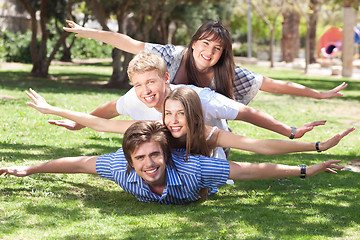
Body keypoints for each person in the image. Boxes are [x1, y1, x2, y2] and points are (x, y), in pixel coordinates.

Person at [0, 121, 346, 204]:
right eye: (141, 158)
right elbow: (79, 163)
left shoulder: (195, 169)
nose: (148, 163)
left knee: (220, 148)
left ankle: (214, 125)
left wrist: (305, 169)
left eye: (154, 155)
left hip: (207, 162)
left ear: (165, 154)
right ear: (129, 160)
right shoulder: (119, 167)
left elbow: (246, 171)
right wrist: (29, 168)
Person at [46, 51, 326, 150]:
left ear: (166, 77)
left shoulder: (199, 98)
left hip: (210, 148)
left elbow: (247, 113)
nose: (146, 91)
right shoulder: (135, 97)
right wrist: (78, 125)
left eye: (151, 82)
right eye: (139, 84)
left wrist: (289, 131)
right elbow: (108, 110)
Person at [63, 19, 347, 104]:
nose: (210, 52)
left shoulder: (228, 73)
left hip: (206, 133)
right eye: (206, 43)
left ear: (223, 53)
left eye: (218, 48)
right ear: (195, 42)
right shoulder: (171, 56)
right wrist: (86, 31)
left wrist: (317, 93)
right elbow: (131, 44)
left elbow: (273, 84)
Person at [26, 86, 355, 159]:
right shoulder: (157, 129)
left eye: (180, 114)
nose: (173, 120)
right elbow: (99, 123)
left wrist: (314, 146)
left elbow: (258, 146)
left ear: (193, 115)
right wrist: (53, 108)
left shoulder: (209, 134)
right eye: (169, 114)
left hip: (207, 172)